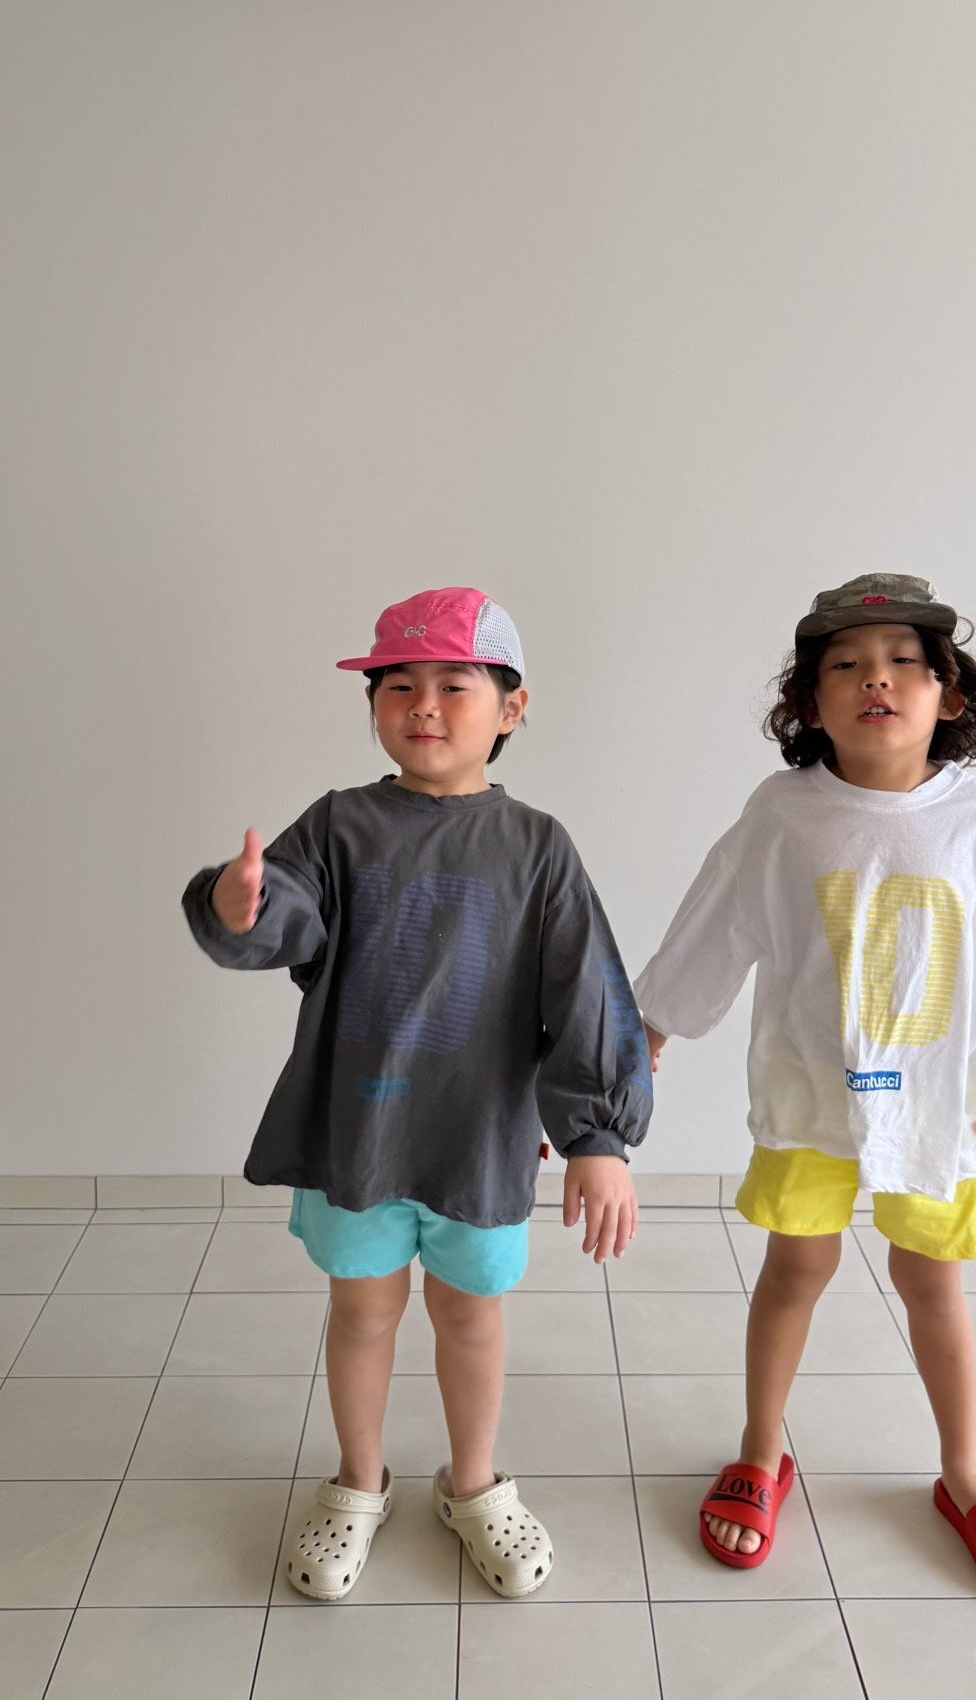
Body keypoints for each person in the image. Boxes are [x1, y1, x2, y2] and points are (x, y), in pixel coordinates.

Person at [634, 573, 976, 1601]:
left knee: (933, 1280)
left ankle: (964, 1471)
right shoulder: (782, 813)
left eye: (900, 663)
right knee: (794, 1268)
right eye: (844, 664)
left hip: (932, 1104)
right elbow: (712, 925)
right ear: (808, 703)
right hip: (808, 1097)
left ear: (948, 694)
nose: (873, 680)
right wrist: (645, 1029)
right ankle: (759, 1448)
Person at [182, 586, 651, 1601]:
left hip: (478, 1138)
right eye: (398, 685)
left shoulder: (537, 846)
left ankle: (472, 1484)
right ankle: (359, 1480)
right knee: (361, 1311)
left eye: (452, 683)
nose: (423, 704)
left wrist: (598, 1137)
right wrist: (237, 901)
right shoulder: (339, 825)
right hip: (357, 1132)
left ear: (511, 706)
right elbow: (283, 912)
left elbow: (584, 989)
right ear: (374, 705)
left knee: (471, 1315)